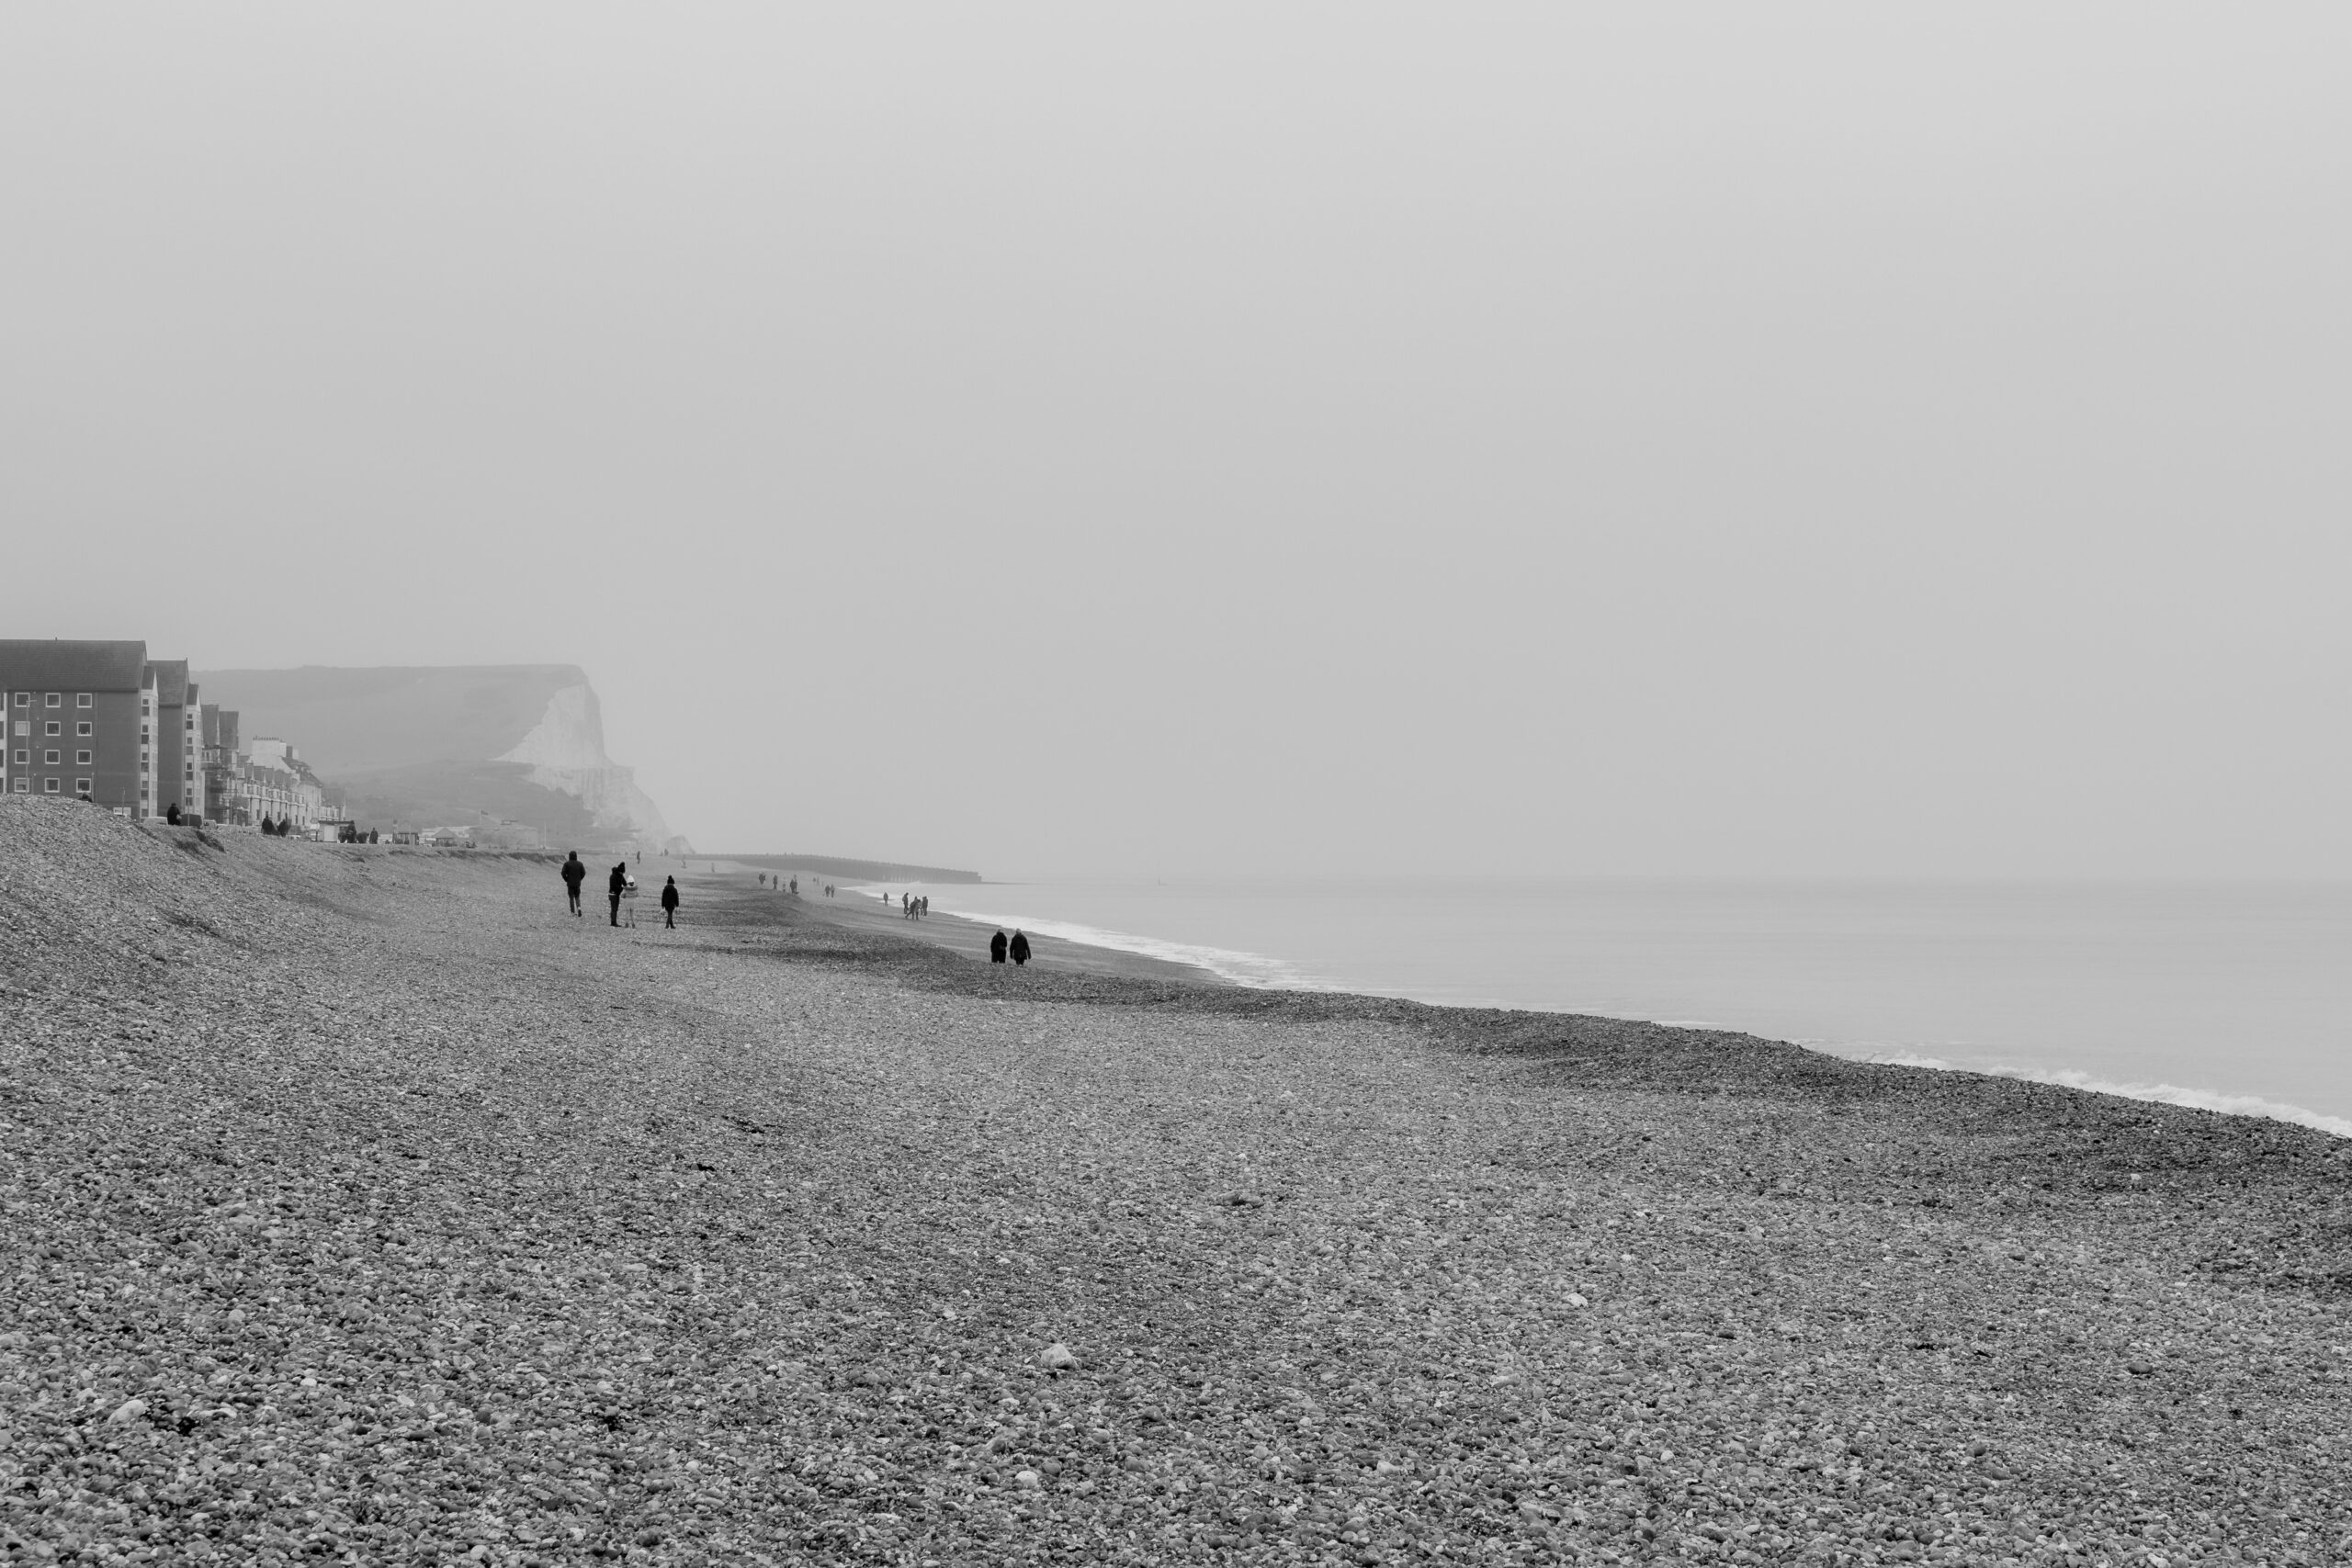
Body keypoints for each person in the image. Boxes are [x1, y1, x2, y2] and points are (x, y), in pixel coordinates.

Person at [561, 851, 587, 917]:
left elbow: (563, 873)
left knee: (571, 898)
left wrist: (566, 879)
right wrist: (579, 879)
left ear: (569, 856)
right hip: (577, 883)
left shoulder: (567, 864)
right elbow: (583, 873)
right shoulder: (580, 864)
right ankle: (579, 908)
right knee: (577, 897)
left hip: (570, 883)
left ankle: (573, 912)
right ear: (576, 856)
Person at [607, 861, 628, 927]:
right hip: (612, 894)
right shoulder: (613, 876)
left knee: (615, 908)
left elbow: (625, 884)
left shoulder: (621, 875)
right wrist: (621, 888)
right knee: (614, 908)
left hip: (617, 894)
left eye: (623, 872)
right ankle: (613, 923)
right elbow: (613, 886)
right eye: (621, 872)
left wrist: (628, 887)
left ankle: (613, 921)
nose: (622, 873)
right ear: (619, 871)